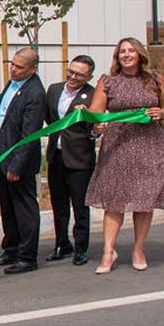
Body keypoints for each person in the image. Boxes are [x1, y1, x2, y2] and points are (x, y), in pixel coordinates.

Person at [83, 38, 164, 274]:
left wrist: (160, 113)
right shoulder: (107, 82)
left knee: (143, 202)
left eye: (130, 50)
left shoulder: (155, 79)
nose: (126, 54)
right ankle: (108, 252)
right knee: (114, 202)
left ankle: (138, 250)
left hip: (150, 146)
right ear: (117, 56)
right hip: (118, 147)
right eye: (121, 51)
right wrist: (96, 126)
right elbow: (96, 113)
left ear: (140, 54)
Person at [0, 48, 47, 275]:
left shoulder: (35, 93)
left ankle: (27, 256)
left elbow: (30, 136)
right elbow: (6, 105)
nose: (13, 69)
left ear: (33, 69)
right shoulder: (15, 83)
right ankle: (11, 249)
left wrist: (16, 166)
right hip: (5, 160)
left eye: (19, 67)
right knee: (8, 208)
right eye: (12, 64)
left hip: (18, 164)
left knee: (24, 210)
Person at [45, 55, 98, 266]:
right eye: (71, 71)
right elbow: (50, 120)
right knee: (59, 205)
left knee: (79, 206)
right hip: (56, 156)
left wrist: (90, 121)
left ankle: (81, 248)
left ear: (89, 76)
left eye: (79, 74)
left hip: (79, 160)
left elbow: (95, 129)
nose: (73, 77)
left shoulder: (93, 96)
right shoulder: (54, 89)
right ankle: (61, 244)